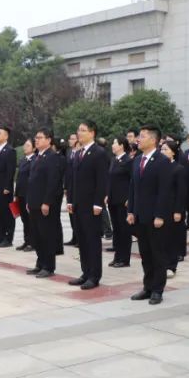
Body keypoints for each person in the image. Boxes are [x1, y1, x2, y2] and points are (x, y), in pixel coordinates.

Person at [128, 125, 171, 305]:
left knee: (158, 254)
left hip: (156, 217)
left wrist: (160, 215)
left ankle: (157, 289)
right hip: (140, 215)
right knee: (145, 253)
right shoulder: (138, 160)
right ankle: (147, 286)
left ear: (153, 140)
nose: (138, 139)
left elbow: (165, 191)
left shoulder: (162, 161)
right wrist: (131, 210)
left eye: (142, 136)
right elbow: (133, 187)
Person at [66, 121, 109, 290]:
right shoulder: (77, 153)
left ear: (92, 133)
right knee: (82, 241)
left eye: (83, 130)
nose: (79, 133)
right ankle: (85, 272)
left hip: (92, 205)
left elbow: (102, 180)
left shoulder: (99, 153)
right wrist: (70, 200)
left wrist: (99, 203)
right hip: (77, 204)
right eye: (78, 130)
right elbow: (72, 180)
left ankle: (94, 276)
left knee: (92, 241)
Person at [25, 128, 63, 278]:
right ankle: (40, 263)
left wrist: (47, 202)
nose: (37, 140)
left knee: (46, 235)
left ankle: (49, 266)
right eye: (36, 138)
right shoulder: (36, 157)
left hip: (44, 204)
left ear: (48, 140)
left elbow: (53, 182)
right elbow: (32, 182)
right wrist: (28, 201)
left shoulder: (52, 157)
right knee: (37, 235)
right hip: (34, 203)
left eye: (40, 137)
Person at [159, 139, 188, 275]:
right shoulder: (157, 168)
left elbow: (181, 192)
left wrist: (178, 210)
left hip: (172, 208)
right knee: (161, 239)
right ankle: (161, 264)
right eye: (162, 149)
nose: (163, 152)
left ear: (173, 152)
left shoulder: (178, 169)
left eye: (166, 149)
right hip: (159, 208)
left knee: (171, 238)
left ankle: (171, 266)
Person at [0, 127, 17, 248]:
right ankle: (0, 236)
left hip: (5, 188)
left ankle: (8, 238)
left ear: (6, 136)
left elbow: (10, 170)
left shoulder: (10, 150)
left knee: (7, 213)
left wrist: (7, 186)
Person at [107, 137, 133, 268]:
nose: (112, 145)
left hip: (123, 201)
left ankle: (124, 258)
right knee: (116, 229)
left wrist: (130, 198)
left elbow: (133, 181)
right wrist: (107, 194)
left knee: (124, 230)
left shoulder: (128, 161)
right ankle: (117, 256)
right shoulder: (113, 160)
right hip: (113, 200)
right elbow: (110, 179)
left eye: (115, 143)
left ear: (122, 145)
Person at [14, 139, 35, 251]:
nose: (24, 147)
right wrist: (16, 194)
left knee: (30, 220)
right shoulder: (22, 160)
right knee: (24, 219)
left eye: (27, 145)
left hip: (29, 195)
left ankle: (32, 243)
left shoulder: (35, 160)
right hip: (21, 194)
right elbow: (19, 179)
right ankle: (26, 241)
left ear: (34, 148)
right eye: (24, 145)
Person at [64, 132, 80, 246]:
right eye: (70, 138)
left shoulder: (80, 153)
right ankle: (74, 237)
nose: (71, 141)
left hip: (77, 187)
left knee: (77, 213)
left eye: (73, 139)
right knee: (71, 213)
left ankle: (79, 238)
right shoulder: (69, 152)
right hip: (69, 186)